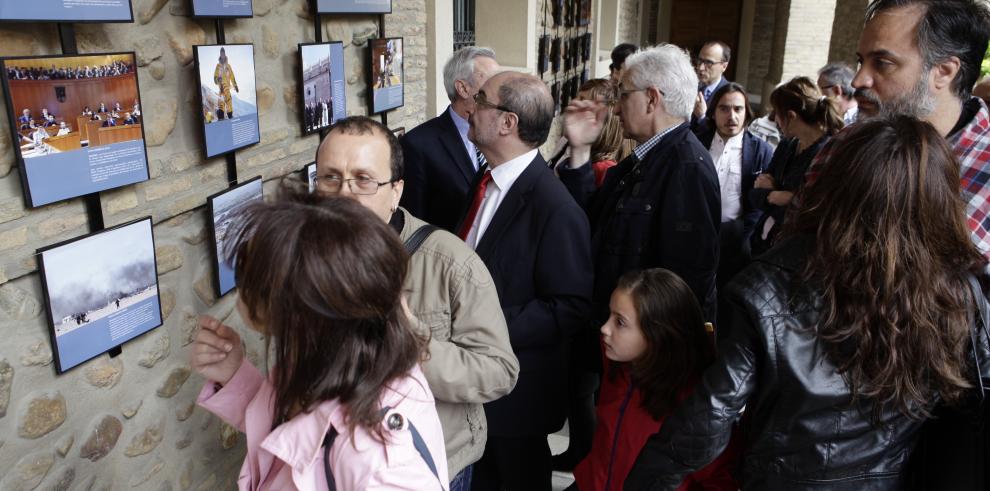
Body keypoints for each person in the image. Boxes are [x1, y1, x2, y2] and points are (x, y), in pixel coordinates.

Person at [625, 115, 990, 491]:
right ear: (939, 197)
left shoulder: (769, 283)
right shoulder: (958, 291)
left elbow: (710, 416)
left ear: (836, 186)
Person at [311, 115, 520, 491]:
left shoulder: (451, 264)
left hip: (426, 468)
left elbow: (498, 372)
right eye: (330, 178)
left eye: (363, 180)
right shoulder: (302, 260)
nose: (344, 194)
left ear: (396, 191)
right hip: (333, 467)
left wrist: (414, 341)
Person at [191, 193, 450, 490]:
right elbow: (294, 439)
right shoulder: (343, 359)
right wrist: (234, 374)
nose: (241, 291)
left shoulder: (378, 466)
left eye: (250, 280)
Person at [460, 71, 593, 491]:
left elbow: (569, 306)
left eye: (481, 98)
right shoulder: (485, 182)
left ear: (507, 123)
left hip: (515, 404)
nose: (470, 105)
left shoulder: (555, 208)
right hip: (474, 393)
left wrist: (482, 327)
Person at [559, 43, 721, 324]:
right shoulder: (642, 159)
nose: (617, 109)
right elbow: (590, 221)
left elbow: (683, 285)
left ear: (651, 98)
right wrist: (581, 150)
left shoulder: (688, 169)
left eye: (623, 95)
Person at [844, 0, 990, 263]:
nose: (858, 80)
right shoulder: (844, 142)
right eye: (861, 61)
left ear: (943, 72)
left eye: (882, 63)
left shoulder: (985, 171)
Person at [572, 269, 738, 491]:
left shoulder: (701, 405)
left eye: (620, 322)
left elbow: (720, 479)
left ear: (658, 335)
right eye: (609, 315)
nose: (604, 328)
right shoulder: (619, 363)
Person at [549, 77, 627, 473]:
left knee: (584, 387)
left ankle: (585, 454)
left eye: (587, 107)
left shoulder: (603, 170)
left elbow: (581, 224)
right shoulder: (575, 158)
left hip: (587, 295)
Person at [401, 46, 501, 232]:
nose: (501, 89)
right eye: (491, 81)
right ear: (463, 88)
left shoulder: (502, 132)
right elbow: (413, 225)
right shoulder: (417, 145)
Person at [750, 77, 841, 256]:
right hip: (764, 241)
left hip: (794, 250)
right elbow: (755, 194)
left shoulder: (826, 154)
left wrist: (776, 194)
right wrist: (777, 196)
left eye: (777, 112)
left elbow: (810, 213)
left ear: (791, 116)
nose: (774, 118)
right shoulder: (787, 144)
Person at [694, 83, 774, 288]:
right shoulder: (696, 143)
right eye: (724, 108)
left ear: (746, 112)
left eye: (738, 109)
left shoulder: (760, 150)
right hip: (696, 233)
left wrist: (743, 233)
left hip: (737, 238)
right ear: (713, 113)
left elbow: (762, 200)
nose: (732, 116)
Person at [692, 41, 731, 125]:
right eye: (700, 61)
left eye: (709, 63)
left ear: (724, 66)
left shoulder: (730, 95)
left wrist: (702, 117)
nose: (701, 68)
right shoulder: (692, 87)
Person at [214, 47, 239, 120]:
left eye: (223, 53)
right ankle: (220, 115)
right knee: (221, 101)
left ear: (225, 54)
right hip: (221, 87)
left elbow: (232, 76)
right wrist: (217, 79)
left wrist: (235, 85)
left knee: (228, 100)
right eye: (221, 53)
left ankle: (230, 115)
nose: (222, 54)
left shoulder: (228, 66)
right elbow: (215, 77)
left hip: (227, 87)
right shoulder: (218, 66)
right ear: (220, 54)